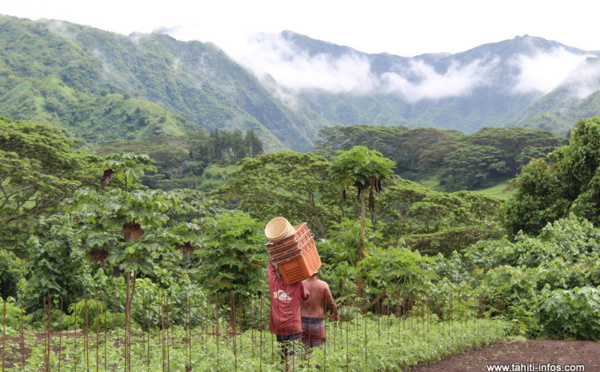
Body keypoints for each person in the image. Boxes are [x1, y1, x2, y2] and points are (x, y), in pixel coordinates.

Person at [268, 261, 309, 371]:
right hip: (293, 326)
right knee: (292, 354)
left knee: (283, 354)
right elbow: (305, 296)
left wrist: (271, 260)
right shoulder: (298, 284)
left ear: (279, 272)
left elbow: (270, 270)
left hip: (278, 326)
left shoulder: (274, 282)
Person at [300, 271, 339, 357]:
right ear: (317, 274)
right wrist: (335, 314)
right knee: (319, 350)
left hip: (302, 321)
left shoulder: (301, 284)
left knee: (305, 349)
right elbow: (331, 303)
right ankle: (316, 368)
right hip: (316, 322)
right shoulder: (323, 285)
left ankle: (306, 368)